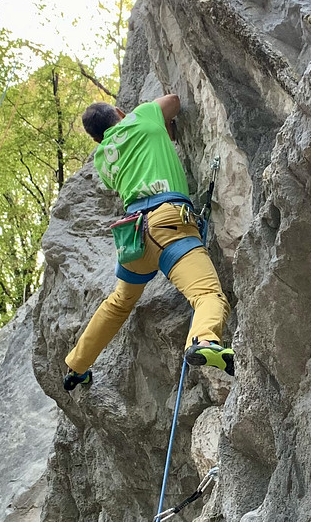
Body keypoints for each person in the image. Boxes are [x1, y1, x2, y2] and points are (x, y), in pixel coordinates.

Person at [63, 93, 233, 389]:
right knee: (207, 294)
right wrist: (163, 126)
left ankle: (77, 365)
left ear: (97, 140)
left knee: (119, 302)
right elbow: (174, 101)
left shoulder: (103, 160)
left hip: (133, 237)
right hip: (169, 224)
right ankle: (204, 341)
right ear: (120, 112)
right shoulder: (141, 117)